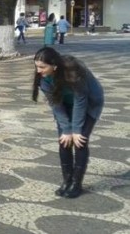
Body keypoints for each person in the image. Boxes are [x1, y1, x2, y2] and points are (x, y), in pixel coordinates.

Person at [32, 47, 104, 198]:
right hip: (64, 104)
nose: (38, 71)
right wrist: (67, 129)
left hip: (90, 103)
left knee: (80, 141)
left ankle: (76, 184)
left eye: (42, 67)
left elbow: (80, 101)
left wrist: (76, 130)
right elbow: (56, 105)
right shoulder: (43, 78)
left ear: (55, 66)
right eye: (36, 66)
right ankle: (67, 180)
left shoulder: (73, 70)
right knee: (64, 140)